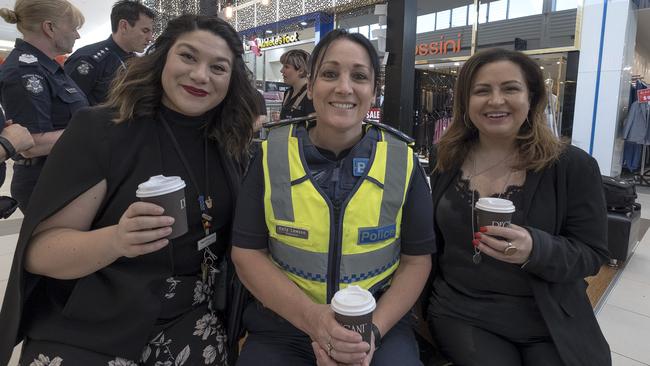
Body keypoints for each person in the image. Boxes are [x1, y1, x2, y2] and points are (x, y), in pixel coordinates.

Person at [0, 14, 257, 365]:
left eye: (219, 67)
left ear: (232, 80)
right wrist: (116, 240)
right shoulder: (103, 130)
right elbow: (40, 252)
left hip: (191, 319)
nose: (201, 75)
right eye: (188, 56)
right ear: (162, 57)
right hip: (93, 324)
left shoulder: (229, 143)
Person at [231, 29, 436, 366]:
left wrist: (372, 334)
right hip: (285, 324)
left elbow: (417, 261)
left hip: (378, 324)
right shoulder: (271, 156)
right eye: (329, 74)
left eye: (359, 76)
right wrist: (313, 320)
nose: (344, 87)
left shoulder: (402, 160)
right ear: (310, 86)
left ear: (374, 92)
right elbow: (247, 254)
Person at [427, 48, 610, 366]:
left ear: (532, 97)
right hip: (463, 310)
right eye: (482, 90)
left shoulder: (571, 166)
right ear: (465, 102)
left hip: (547, 316)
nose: (496, 101)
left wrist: (534, 248)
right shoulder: (446, 157)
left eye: (510, 88)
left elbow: (592, 254)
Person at [0, 0, 88, 213]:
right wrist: (94, 129)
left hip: (64, 174)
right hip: (46, 181)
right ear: (49, 28)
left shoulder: (48, 67)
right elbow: (31, 144)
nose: (78, 35)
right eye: (74, 27)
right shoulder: (25, 71)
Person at [64, 0, 155, 105]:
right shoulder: (89, 60)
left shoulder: (135, 60)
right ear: (124, 26)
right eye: (145, 31)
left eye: (151, 32)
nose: (150, 39)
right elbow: (68, 107)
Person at [279, 49, 314, 120]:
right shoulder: (288, 93)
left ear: (301, 70)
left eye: (286, 67)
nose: (281, 70)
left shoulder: (312, 95)